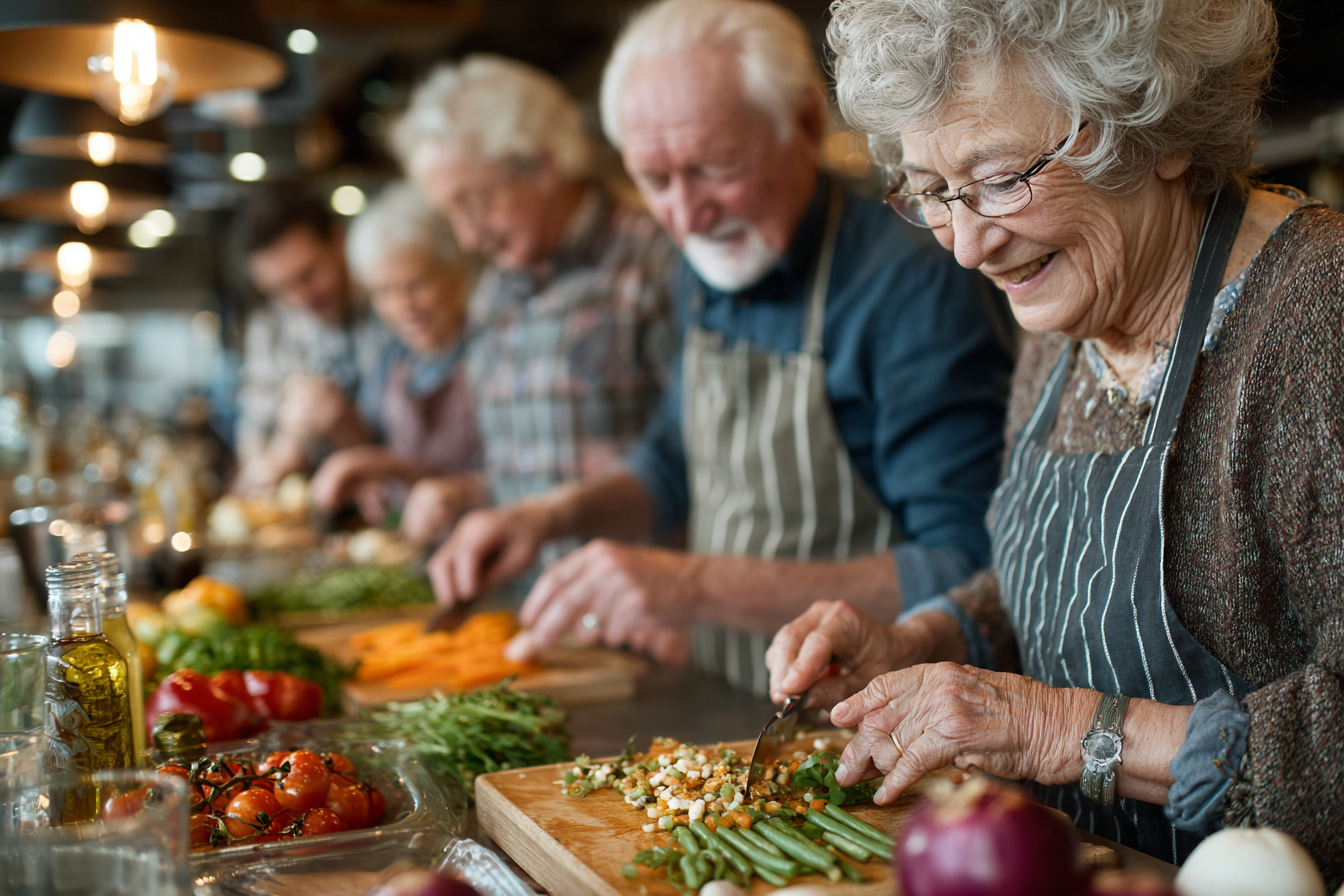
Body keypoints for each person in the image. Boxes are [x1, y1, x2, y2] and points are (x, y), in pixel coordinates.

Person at [766, 0, 1344, 881]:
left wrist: (1058, 730)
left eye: (1001, 179)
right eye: (932, 192)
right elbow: (1061, 587)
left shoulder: (1320, 318)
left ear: (1155, 131)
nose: (966, 246)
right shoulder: (1064, 314)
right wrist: (922, 643)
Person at [430, 0, 1013, 691]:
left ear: (804, 124)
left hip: (870, 715)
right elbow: (671, 462)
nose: (686, 214)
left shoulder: (911, 283)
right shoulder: (704, 267)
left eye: (715, 166)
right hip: (730, 701)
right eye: (655, 181)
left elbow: (968, 568)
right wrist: (550, 516)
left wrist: (692, 585)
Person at [390, 55, 677, 580]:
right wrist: (469, 492)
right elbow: (529, 463)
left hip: (645, 606)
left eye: (476, 201)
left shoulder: (654, 263)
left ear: (543, 166)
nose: (467, 237)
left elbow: (692, 461)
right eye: (450, 213)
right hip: (532, 607)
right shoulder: (494, 290)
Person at [308, 183, 484, 541]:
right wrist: (374, 481)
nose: (404, 307)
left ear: (456, 272)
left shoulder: (490, 351)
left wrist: (393, 469)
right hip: (412, 548)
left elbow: (517, 480)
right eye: (384, 292)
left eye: (416, 285)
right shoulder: (393, 361)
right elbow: (381, 449)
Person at [232, 192, 386, 495]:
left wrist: (347, 428)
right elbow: (255, 433)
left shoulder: (392, 304)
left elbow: (424, 450)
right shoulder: (271, 325)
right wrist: (268, 464)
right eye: (279, 289)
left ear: (338, 242)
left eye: (307, 275)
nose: (300, 298)